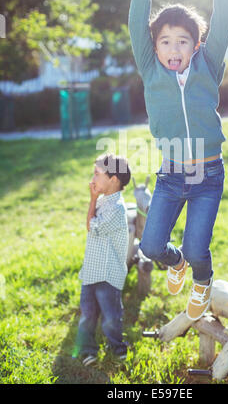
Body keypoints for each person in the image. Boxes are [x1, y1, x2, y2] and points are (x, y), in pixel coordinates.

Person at [128, 0, 228, 320]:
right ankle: (175, 264)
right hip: (171, 175)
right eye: (166, 42)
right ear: (154, 47)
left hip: (208, 175)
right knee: (152, 246)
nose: (174, 49)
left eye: (183, 42)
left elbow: (225, 16)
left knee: (196, 250)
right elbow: (137, 18)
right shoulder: (150, 68)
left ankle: (201, 279)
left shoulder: (208, 65)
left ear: (197, 45)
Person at [73, 153, 131, 366]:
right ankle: (88, 350)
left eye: (97, 174)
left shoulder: (116, 209)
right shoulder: (106, 202)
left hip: (108, 274)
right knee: (87, 314)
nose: (93, 179)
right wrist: (95, 200)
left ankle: (117, 347)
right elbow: (91, 226)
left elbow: (91, 226)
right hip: (92, 270)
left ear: (113, 179)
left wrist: (92, 199)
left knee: (110, 317)